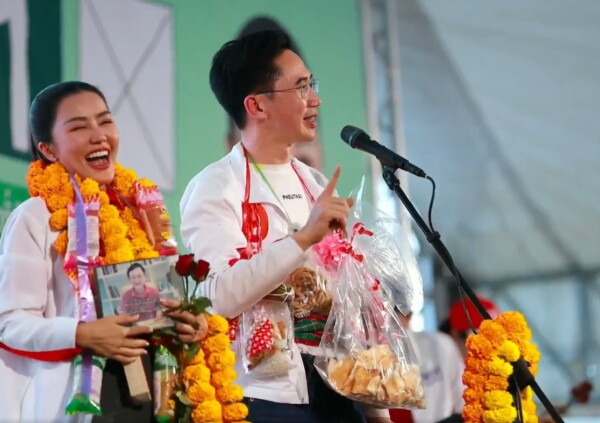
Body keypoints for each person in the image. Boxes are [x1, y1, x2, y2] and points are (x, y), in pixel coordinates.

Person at [180, 30, 390, 423]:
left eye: (312, 84)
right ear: (257, 105)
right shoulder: (216, 186)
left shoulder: (314, 183)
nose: (315, 99)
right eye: (301, 87)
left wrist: (377, 410)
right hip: (264, 393)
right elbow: (219, 295)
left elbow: (347, 302)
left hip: (337, 388)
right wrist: (304, 238)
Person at [0, 81, 204, 422]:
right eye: (79, 127)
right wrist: (81, 333)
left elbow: (161, 305)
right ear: (48, 150)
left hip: (153, 399)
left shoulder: (140, 208)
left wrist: (187, 325)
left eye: (105, 121)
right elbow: (9, 323)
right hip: (80, 399)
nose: (99, 135)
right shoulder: (36, 216)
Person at [390, 309, 464, 423]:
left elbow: (463, 402)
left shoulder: (439, 345)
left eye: (390, 318)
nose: (383, 327)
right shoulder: (366, 363)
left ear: (407, 317)